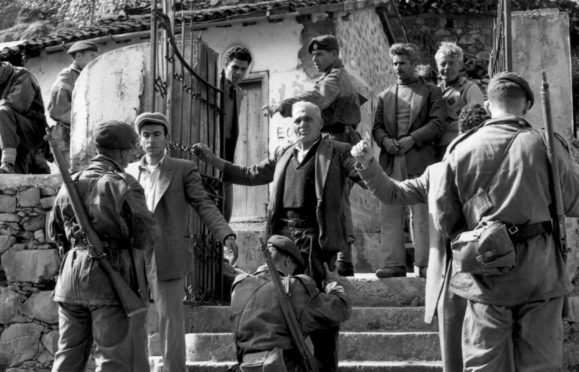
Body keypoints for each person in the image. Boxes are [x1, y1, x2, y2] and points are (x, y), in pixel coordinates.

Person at [195, 101, 363, 372]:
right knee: (280, 309)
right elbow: (250, 174)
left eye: (308, 119)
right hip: (283, 241)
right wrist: (214, 161)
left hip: (317, 243)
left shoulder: (338, 152)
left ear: (320, 124)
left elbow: (365, 177)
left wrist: (365, 160)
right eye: (297, 120)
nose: (302, 124)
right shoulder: (283, 153)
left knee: (322, 316)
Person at [430, 71, 579, 370]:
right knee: (542, 365)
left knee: (484, 364)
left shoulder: (459, 149)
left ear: (487, 106)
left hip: (485, 271)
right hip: (540, 271)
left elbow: (445, 219)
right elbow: (573, 201)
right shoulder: (547, 143)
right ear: (526, 106)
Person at [126, 112, 239, 372]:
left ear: (166, 138)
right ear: (140, 140)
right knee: (134, 319)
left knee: (170, 321)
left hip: (169, 251)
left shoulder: (182, 168)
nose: (151, 140)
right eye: (146, 135)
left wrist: (225, 234)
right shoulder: (130, 171)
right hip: (135, 254)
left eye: (156, 134)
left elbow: (203, 203)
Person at [48, 120, 157, 371]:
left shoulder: (70, 182)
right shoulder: (122, 183)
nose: (132, 155)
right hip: (110, 278)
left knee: (67, 358)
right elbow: (146, 234)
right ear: (119, 152)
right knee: (114, 360)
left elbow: (55, 233)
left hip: (70, 280)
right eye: (130, 149)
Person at [264, 34, 362, 277]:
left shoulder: (335, 77)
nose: (315, 59)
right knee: (334, 199)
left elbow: (319, 98)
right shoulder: (332, 76)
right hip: (339, 137)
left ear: (335, 54)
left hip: (338, 140)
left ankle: (342, 258)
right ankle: (341, 258)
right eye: (313, 55)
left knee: (335, 200)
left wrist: (286, 105)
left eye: (320, 54)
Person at [372, 43, 444, 278]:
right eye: (394, 63)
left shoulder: (432, 91)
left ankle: (424, 264)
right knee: (390, 211)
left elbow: (437, 123)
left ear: (413, 63)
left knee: (421, 212)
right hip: (392, 160)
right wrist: (385, 142)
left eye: (402, 63)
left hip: (420, 159)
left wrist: (412, 139)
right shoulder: (385, 95)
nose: (398, 68)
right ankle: (393, 263)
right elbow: (377, 128)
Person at [231, 234, 351, 371]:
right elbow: (342, 308)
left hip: (247, 366)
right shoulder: (293, 285)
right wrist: (332, 282)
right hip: (283, 366)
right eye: (294, 267)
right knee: (328, 321)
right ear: (288, 261)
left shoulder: (240, 285)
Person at [48, 41, 99, 167]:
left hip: (85, 136)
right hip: (67, 138)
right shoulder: (67, 77)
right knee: (73, 177)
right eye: (91, 55)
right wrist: (83, 120)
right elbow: (57, 111)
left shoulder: (89, 73)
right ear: (78, 57)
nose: (95, 59)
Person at [434, 42, 484, 158]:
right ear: (437, 66)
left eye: (451, 63)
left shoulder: (470, 88)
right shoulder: (436, 90)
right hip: (436, 149)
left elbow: (478, 120)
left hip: (460, 147)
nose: (447, 68)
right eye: (443, 64)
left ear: (460, 65)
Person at [0, 61, 48, 174]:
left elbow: (17, 104)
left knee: (2, 111)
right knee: (18, 180)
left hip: (33, 131)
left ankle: (7, 161)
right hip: (11, 137)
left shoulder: (22, 75)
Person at [222, 46, 252, 222]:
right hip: (211, 141)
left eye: (243, 69)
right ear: (226, 65)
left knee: (227, 188)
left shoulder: (239, 93)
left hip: (228, 147)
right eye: (235, 67)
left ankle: (224, 231)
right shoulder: (213, 84)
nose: (239, 73)